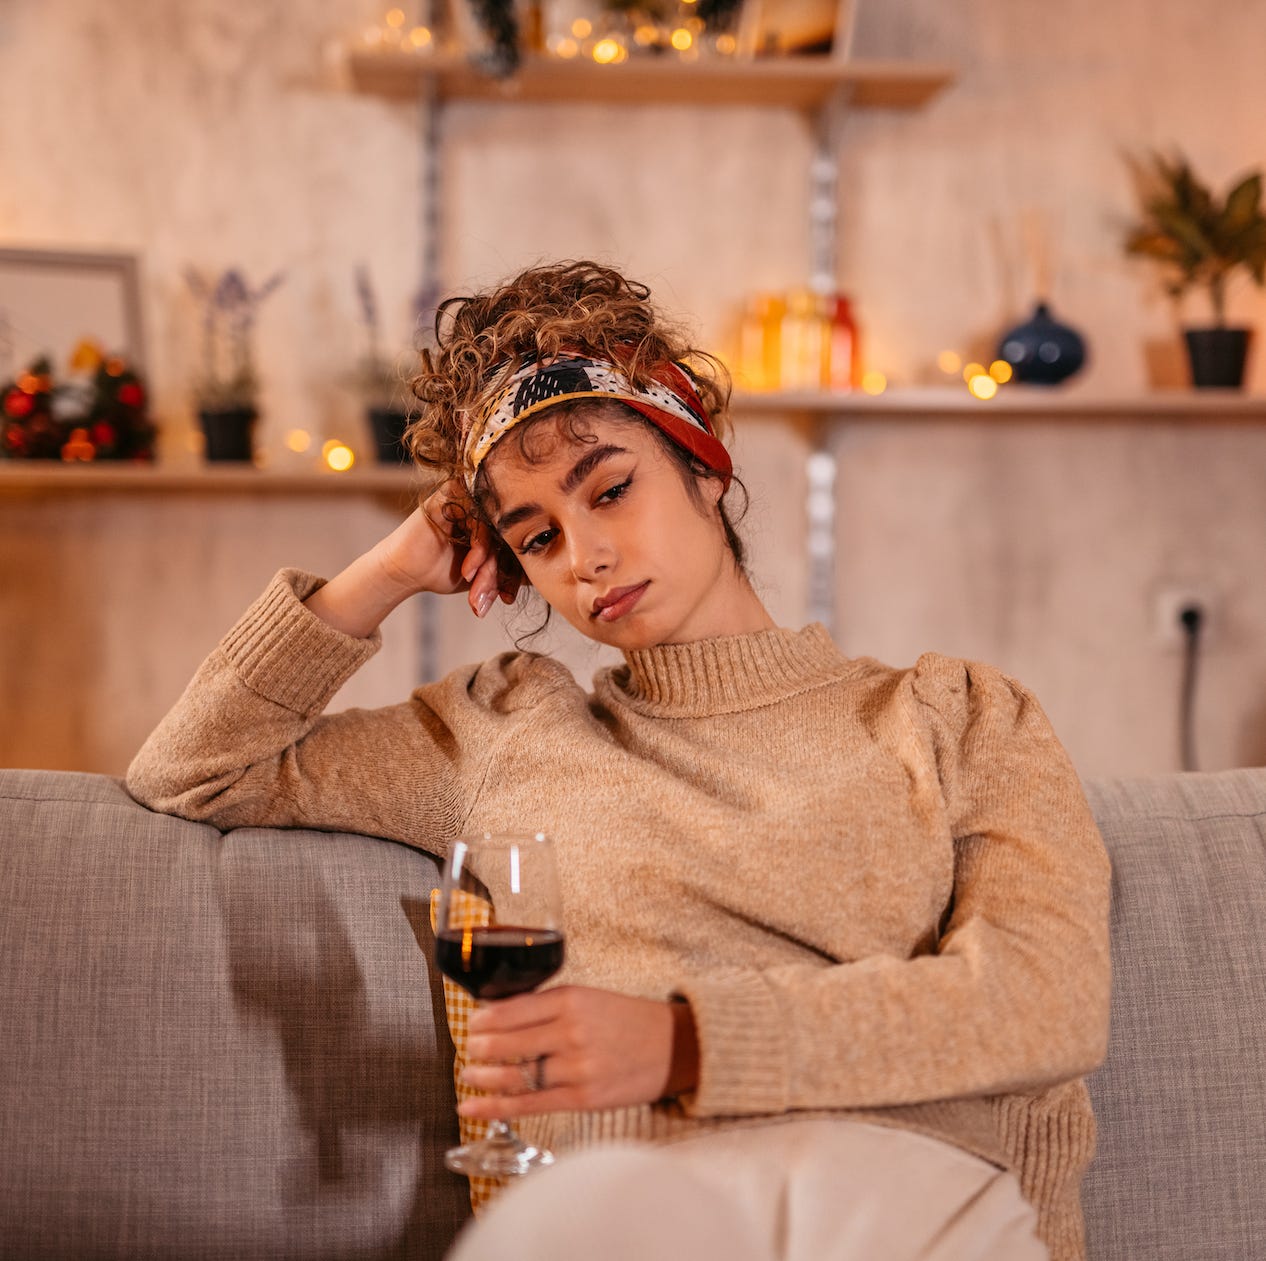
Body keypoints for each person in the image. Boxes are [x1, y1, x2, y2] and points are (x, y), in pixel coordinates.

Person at [127, 260, 1111, 1261]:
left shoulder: (955, 716)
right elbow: (194, 770)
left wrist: (683, 1042)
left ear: (704, 465)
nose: (585, 555)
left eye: (611, 488)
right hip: (635, 1205)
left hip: (903, 1188)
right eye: (538, 535)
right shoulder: (508, 728)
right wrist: (384, 572)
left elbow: (1048, 998)